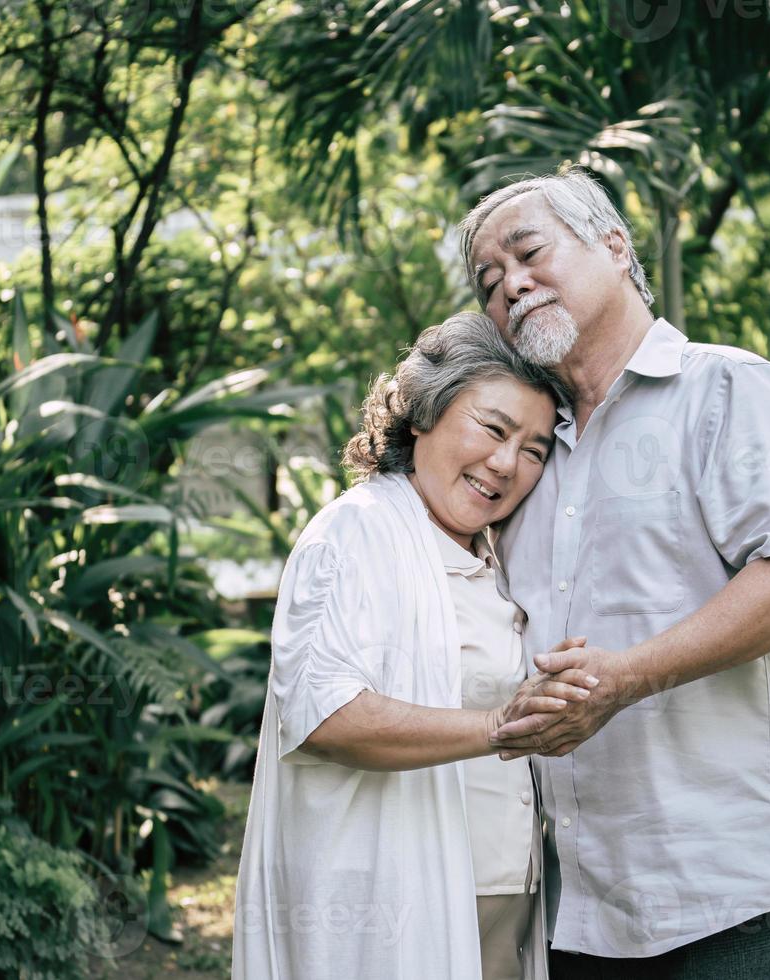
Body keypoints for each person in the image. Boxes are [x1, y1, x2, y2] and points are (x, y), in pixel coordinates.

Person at [460, 169, 770, 979]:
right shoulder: (522, 460)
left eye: (530, 253)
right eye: (490, 284)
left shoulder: (727, 390)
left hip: (729, 897)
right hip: (573, 911)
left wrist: (625, 678)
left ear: (614, 244)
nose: (513, 287)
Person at [233, 311, 599, 979]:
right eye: (493, 428)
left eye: (534, 450)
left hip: (501, 900)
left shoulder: (493, 557)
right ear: (424, 412)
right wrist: (502, 726)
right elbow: (324, 714)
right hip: (394, 906)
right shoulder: (356, 535)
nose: (505, 463)